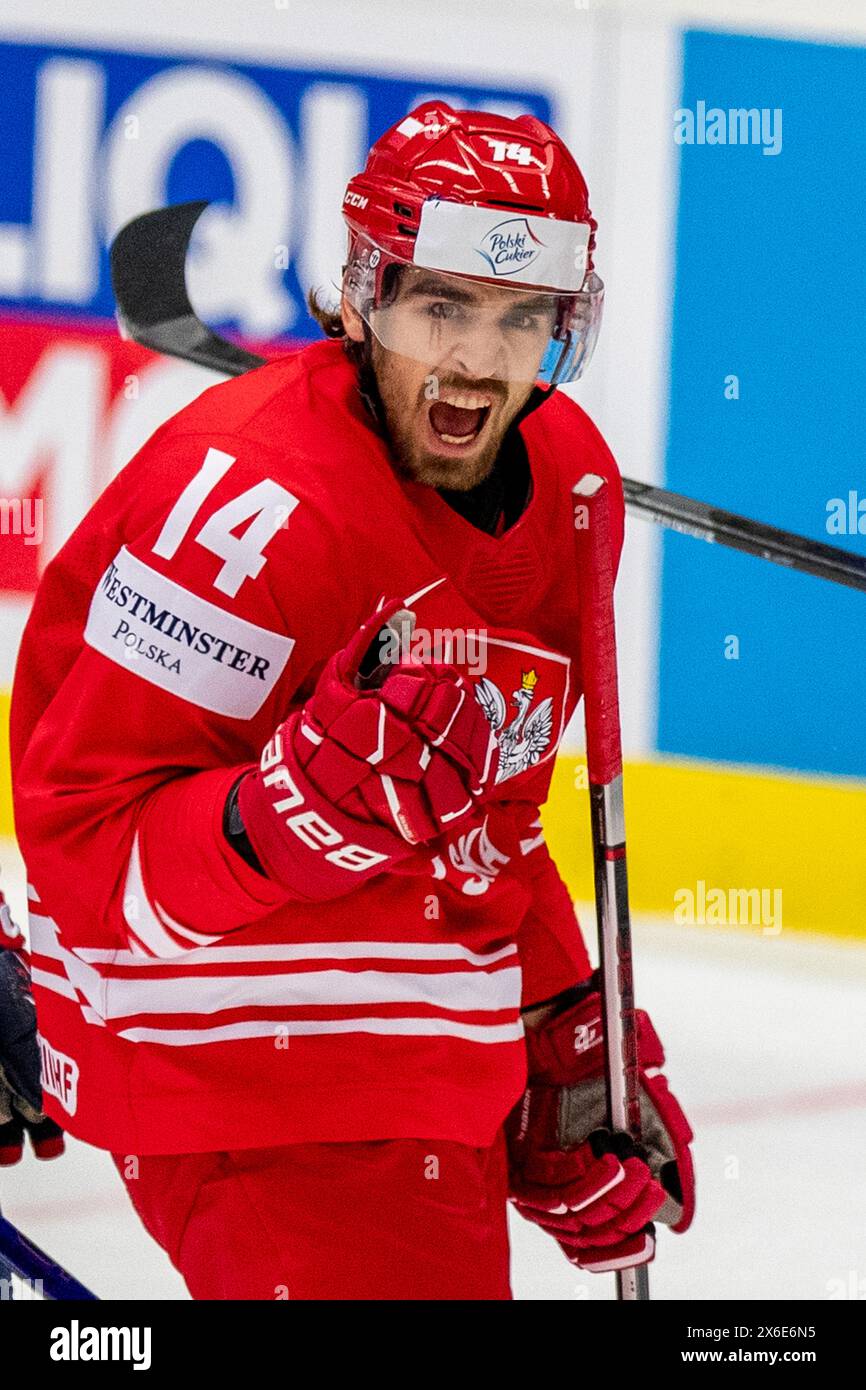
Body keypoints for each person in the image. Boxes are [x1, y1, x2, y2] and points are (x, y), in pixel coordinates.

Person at [9, 102, 694, 1300]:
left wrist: (559, 1039)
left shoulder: (567, 483)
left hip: (418, 1062)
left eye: (521, 318)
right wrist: (270, 819)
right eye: (443, 306)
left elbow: (486, 824)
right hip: (224, 1071)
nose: (482, 361)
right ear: (367, 290)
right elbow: (84, 856)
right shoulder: (246, 513)